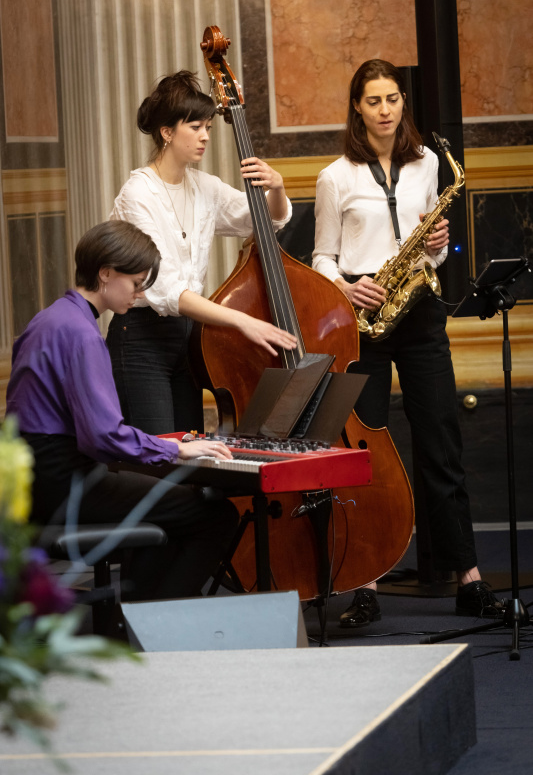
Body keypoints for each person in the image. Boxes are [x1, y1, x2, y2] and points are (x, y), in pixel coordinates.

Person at [312, 59, 505, 626]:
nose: (385, 110)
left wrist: (438, 246)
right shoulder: (335, 176)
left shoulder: (427, 164)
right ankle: (365, 583)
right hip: (364, 317)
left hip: (419, 313)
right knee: (365, 451)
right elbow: (321, 257)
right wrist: (347, 288)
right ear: (357, 106)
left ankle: (468, 577)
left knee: (442, 443)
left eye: (392, 99)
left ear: (403, 102)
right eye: (373, 100)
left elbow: (434, 251)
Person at [6, 220, 239, 601]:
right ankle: (151, 618)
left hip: (31, 482)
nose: (140, 293)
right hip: (64, 484)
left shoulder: (45, 320)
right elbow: (103, 436)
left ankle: (135, 611)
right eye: (136, 283)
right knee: (216, 516)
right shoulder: (83, 335)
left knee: (162, 506)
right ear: (106, 273)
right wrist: (176, 448)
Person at [106, 70, 297, 435]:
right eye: (195, 127)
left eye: (208, 127)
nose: (205, 135)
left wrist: (276, 187)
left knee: (190, 450)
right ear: (166, 132)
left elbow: (265, 220)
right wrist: (242, 321)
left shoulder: (204, 186)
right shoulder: (138, 194)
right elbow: (166, 289)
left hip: (189, 337)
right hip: (142, 338)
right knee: (159, 452)